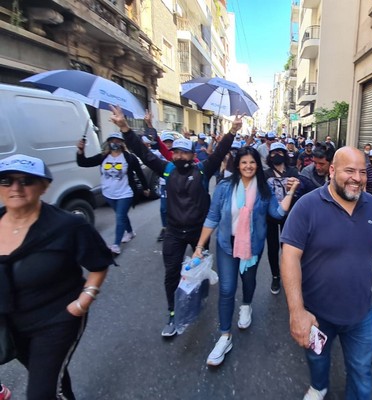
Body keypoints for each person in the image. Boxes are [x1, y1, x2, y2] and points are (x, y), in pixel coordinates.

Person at [280, 147, 372, 400]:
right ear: (333, 171)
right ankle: (318, 386)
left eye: (362, 171)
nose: (357, 178)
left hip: (361, 314)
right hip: (317, 315)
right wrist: (297, 311)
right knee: (318, 358)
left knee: (361, 371)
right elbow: (289, 256)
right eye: (350, 171)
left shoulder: (370, 205)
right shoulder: (307, 206)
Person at [110, 105, 241, 337]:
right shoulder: (168, 169)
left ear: (192, 155)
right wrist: (125, 129)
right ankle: (172, 313)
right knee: (171, 273)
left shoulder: (202, 170)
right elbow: (145, 154)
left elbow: (220, 153)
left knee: (199, 267)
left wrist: (232, 131)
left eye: (184, 153)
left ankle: (198, 294)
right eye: (176, 152)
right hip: (173, 232)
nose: (179, 156)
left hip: (198, 232)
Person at [0, 154, 112, 399]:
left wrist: (82, 303)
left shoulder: (69, 226)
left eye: (26, 180)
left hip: (56, 320)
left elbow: (99, 264)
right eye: (6, 180)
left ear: (44, 186)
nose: (15, 188)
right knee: (48, 376)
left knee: (40, 392)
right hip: (10, 324)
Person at [193, 147, 299, 366]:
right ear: (237, 165)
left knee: (248, 281)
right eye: (244, 163)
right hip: (225, 244)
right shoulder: (224, 188)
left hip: (253, 245)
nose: (248, 166)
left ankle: (246, 305)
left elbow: (277, 214)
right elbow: (212, 217)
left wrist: (290, 192)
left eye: (252, 162)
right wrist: (199, 246)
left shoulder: (264, 189)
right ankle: (224, 337)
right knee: (226, 289)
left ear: (257, 165)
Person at [76, 132, 150, 255]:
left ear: (122, 143)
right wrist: (80, 151)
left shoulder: (129, 158)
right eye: (112, 141)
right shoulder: (103, 157)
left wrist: (146, 188)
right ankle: (130, 232)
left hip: (125, 192)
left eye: (117, 141)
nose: (115, 143)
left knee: (120, 216)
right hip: (109, 193)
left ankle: (115, 245)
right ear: (108, 143)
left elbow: (139, 173)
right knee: (121, 215)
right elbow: (83, 162)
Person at [264, 142, 300, 295]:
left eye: (280, 152)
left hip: (289, 217)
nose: (277, 155)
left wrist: (296, 187)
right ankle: (275, 276)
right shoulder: (266, 174)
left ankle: (289, 276)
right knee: (272, 248)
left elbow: (300, 193)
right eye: (273, 153)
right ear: (269, 156)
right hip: (270, 217)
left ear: (285, 154)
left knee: (287, 249)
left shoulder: (292, 171)